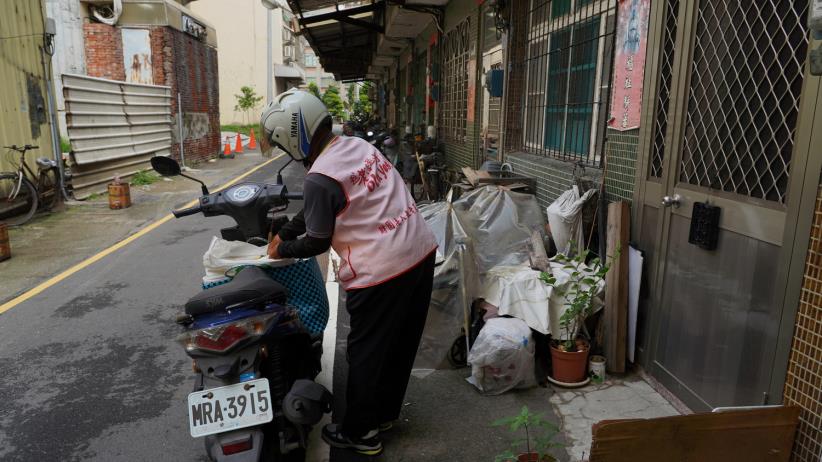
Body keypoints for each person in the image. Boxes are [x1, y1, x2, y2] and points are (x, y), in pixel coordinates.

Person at [259, 89, 437, 456]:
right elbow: (315, 210)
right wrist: (286, 233)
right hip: (419, 251)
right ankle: (383, 414)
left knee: (367, 351)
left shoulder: (320, 177)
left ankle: (361, 432)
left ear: (294, 136)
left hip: (381, 269)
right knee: (399, 343)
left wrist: (282, 248)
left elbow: (318, 241)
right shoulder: (356, 146)